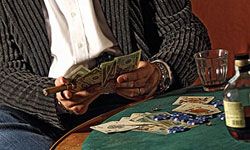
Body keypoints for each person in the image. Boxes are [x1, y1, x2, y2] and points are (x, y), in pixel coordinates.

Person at [0, 0, 210, 149]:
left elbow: (185, 29)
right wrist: (57, 99)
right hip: (36, 112)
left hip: (130, 101)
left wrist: (159, 72)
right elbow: (5, 70)